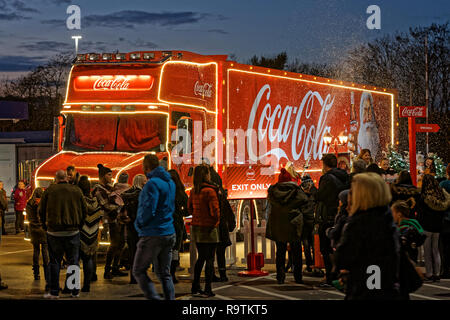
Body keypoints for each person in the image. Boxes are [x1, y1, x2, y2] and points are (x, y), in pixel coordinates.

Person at [334, 173, 400, 300]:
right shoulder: (387, 220)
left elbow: (343, 257)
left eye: (353, 192)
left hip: (366, 287)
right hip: (387, 287)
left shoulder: (360, 223)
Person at [133, 154, 176, 300]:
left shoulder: (152, 184)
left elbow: (148, 209)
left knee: (139, 270)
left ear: (146, 166)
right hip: (169, 231)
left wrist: (139, 223)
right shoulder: (170, 183)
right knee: (164, 273)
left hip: (153, 233)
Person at [39, 170, 87, 299]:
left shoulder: (49, 191)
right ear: (66, 178)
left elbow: (41, 210)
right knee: (73, 261)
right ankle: (74, 290)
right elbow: (84, 210)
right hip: (73, 231)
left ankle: (54, 291)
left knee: (54, 262)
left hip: (53, 232)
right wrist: (79, 226)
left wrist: (45, 226)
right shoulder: (76, 190)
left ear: (55, 179)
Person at [266, 168, 308, 284]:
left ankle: (280, 276)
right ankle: (298, 276)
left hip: (278, 224)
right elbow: (304, 200)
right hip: (293, 223)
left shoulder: (273, 192)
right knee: (296, 251)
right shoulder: (296, 191)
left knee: (280, 251)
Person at [315, 154, 349, 287]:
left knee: (326, 249)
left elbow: (321, 196)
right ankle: (337, 275)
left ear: (325, 165)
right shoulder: (345, 175)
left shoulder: (327, 178)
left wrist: (311, 189)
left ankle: (330, 276)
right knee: (336, 247)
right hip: (339, 215)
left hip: (327, 216)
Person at [189, 165, 220, 297]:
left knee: (201, 258)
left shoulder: (193, 190)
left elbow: (190, 209)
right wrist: (216, 221)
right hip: (209, 228)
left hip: (197, 227)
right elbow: (215, 211)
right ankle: (208, 288)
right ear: (206, 175)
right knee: (209, 259)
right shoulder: (210, 191)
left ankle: (195, 286)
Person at [93, 164, 127, 279]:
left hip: (117, 219)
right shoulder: (98, 190)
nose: (111, 177)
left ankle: (115, 267)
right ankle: (107, 270)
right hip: (109, 220)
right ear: (103, 176)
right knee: (114, 244)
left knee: (120, 243)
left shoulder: (110, 188)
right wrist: (120, 207)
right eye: (109, 175)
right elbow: (105, 205)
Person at [416, 174, 450, 282]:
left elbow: (421, 213)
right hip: (438, 226)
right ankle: (437, 273)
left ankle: (430, 273)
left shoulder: (424, 196)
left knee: (427, 251)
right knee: (436, 250)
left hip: (427, 226)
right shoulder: (441, 195)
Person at [77, 176, 102, 293]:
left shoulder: (78, 200)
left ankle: (73, 286)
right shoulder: (96, 201)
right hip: (92, 234)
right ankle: (86, 285)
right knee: (88, 260)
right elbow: (99, 216)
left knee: (74, 261)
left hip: (79, 234)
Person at [121, 174, 147, 285]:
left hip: (130, 225)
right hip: (140, 226)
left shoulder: (127, 195)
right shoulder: (142, 194)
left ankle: (133, 276)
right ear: (141, 182)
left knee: (133, 251)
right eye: (145, 181)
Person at [167, 170, 188, 284]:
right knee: (175, 250)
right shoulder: (180, 193)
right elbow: (188, 210)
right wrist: (181, 212)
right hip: (176, 224)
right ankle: (172, 274)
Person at [26, 187, 49, 286]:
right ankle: (47, 273)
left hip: (33, 229)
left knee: (36, 251)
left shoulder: (29, 204)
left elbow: (28, 216)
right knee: (45, 251)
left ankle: (36, 273)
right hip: (42, 229)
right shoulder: (43, 204)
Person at [299, 175, 317, 272]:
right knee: (311, 245)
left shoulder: (301, 195)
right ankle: (313, 264)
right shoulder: (314, 194)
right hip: (311, 222)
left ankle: (311, 264)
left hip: (305, 222)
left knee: (307, 245)